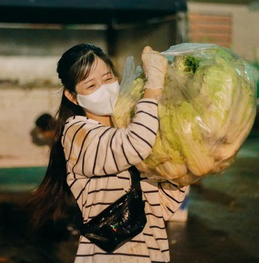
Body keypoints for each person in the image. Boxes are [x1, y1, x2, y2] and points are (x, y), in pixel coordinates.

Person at [29, 43, 186, 262]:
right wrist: (153, 89)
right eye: (91, 85)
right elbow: (134, 145)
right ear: (72, 96)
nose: (104, 88)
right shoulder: (77, 134)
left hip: (151, 254)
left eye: (108, 78)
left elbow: (158, 209)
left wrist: (183, 170)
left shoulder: (129, 128)